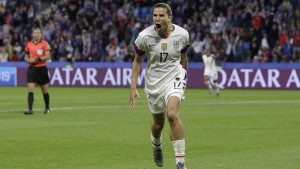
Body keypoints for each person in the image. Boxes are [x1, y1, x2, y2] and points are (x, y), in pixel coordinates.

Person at [128, 3, 189, 169]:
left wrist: (183, 75)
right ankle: (156, 146)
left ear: (169, 18)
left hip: (174, 78)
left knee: (172, 114)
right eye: (155, 15)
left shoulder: (182, 34)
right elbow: (137, 61)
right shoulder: (144, 37)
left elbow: (184, 56)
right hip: (154, 83)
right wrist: (133, 87)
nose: (157, 19)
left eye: (161, 16)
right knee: (158, 124)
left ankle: (180, 163)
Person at [24, 26, 51, 115]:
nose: (36, 35)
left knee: (44, 90)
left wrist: (35, 60)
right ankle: (30, 109)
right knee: (31, 89)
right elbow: (26, 56)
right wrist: (28, 60)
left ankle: (47, 108)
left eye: (38, 33)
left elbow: (48, 56)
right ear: (32, 34)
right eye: (35, 33)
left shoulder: (44, 44)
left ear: (41, 34)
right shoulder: (29, 44)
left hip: (41, 68)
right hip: (32, 69)